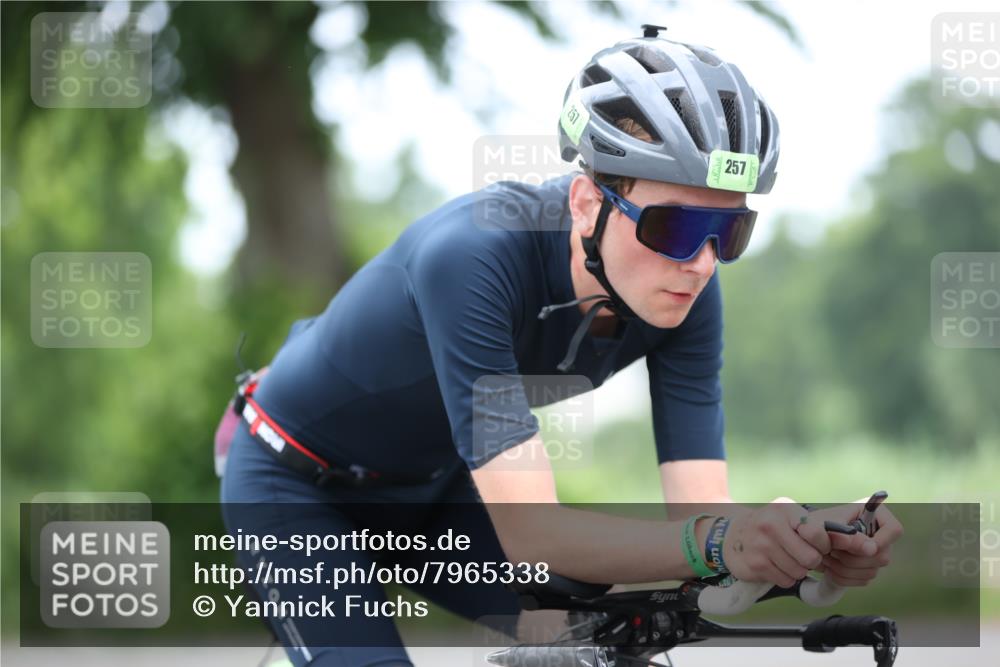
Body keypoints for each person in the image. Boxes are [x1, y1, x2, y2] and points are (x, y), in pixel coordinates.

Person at [219, 26, 903, 667]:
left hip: (440, 494)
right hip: (296, 485)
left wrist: (807, 538)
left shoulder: (689, 291)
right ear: (585, 203)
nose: (701, 262)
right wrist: (722, 542)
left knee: (596, 645)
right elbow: (533, 534)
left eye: (729, 233)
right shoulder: (475, 257)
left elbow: (703, 526)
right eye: (674, 227)